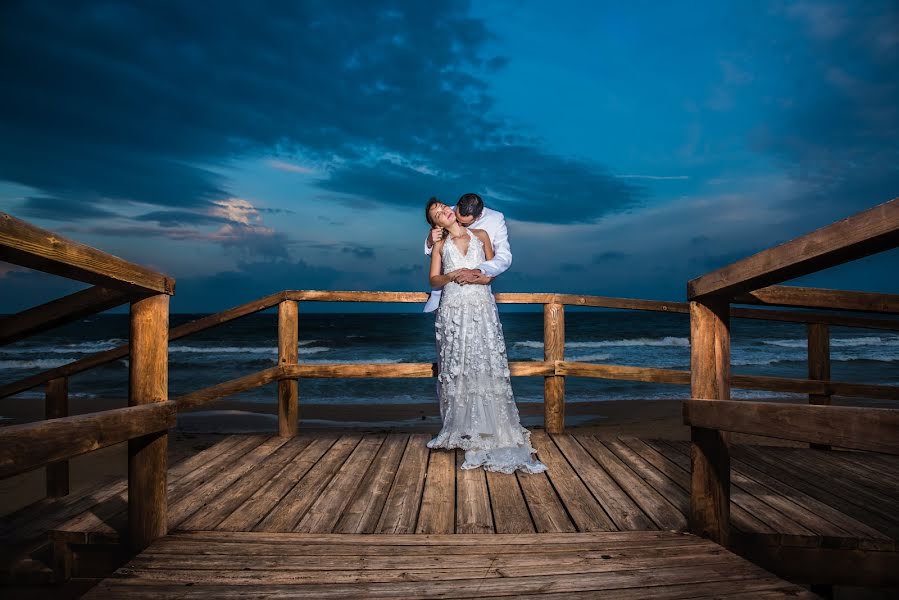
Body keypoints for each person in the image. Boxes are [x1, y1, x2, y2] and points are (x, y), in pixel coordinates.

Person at [424, 197, 546, 474]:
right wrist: (452, 275)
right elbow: (433, 279)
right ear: (437, 224)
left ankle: (491, 427)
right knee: (458, 365)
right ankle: (459, 427)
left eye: (443, 207)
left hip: (480, 305)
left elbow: (491, 273)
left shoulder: (482, 234)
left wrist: (477, 276)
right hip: (453, 307)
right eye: (438, 213)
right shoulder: (440, 245)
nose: (444, 210)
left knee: (484, 361)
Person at [423, 193, 512, 313]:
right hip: (448, 297)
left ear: (478, 217)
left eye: (465, 223)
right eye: (457, 217)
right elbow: (437, 248)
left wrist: (479, 272)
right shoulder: (446, 212)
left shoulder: (492, 223)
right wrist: (429, 241)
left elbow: (503, 257)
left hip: (480, 298)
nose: (459, 224)